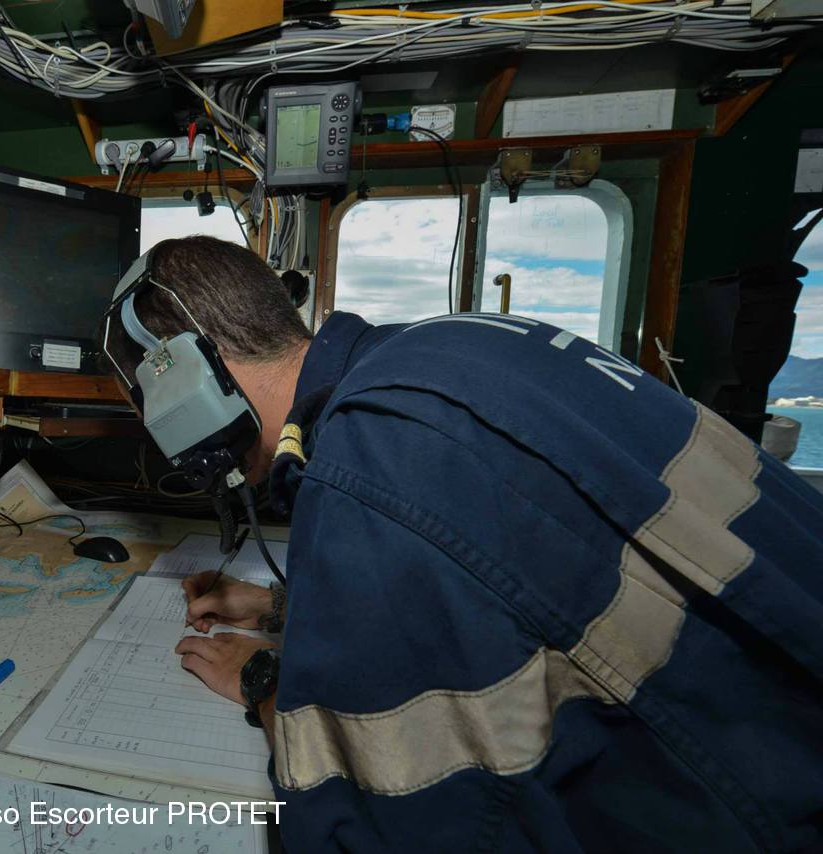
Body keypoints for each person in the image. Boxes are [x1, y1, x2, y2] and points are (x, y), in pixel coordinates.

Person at [103, 235, 823, 853]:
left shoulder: (367, 466)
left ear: (183, 375)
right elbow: (519, 573)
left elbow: (381, 816)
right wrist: (285, 607)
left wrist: (266, 682)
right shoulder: (442, 349)